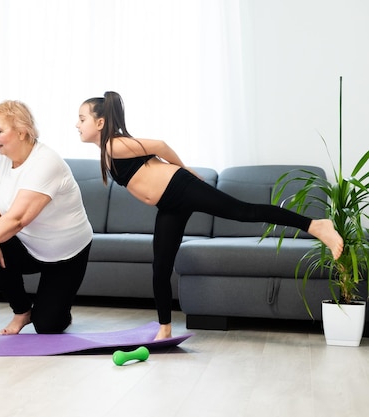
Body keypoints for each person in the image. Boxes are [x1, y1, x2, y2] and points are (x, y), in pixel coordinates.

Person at [76, 91, 344, 341]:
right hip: (170, 204)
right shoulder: (108, 152)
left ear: (100, 123)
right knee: (161, 264)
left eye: (82, 119)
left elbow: (159, 145)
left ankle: (316, 225)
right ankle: (165, 329)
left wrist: (184, 169)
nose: (77, 125)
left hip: (180, 188)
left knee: (244, 211)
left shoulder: (114, 145)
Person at [0, 100, 93, 335]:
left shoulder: (46, 162)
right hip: (28, 246)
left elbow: (17, 219)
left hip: (67, 253)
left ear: (22, 131)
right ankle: (22, 311)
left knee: (48, 326)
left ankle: (56, 308)